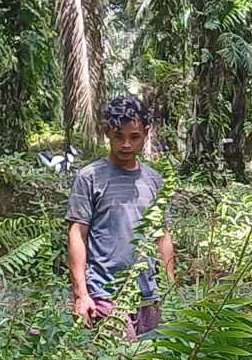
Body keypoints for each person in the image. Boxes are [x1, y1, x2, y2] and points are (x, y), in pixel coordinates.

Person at [65, 96, 175, 340]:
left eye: (134, 137)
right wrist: (81, 295)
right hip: (105, 293)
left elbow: (162, 235)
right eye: (118, 136)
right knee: (118, 358)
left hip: (149, 295)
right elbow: (77, 234)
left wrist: (170, 287)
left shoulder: (154, 180)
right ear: (107, 133)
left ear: (146, 133)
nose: (126, 144)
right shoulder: (90, 177)